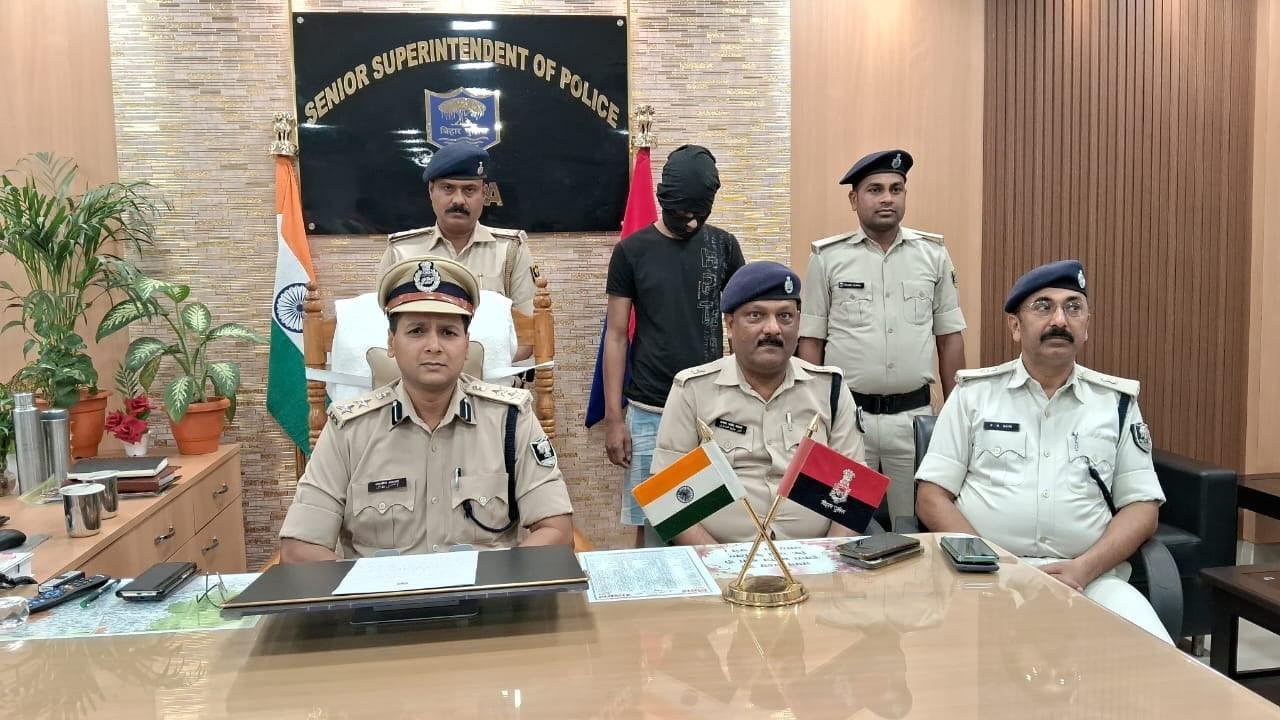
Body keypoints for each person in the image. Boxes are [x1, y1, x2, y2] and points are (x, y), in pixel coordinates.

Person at [915, 259, 1171, 642]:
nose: (1060, 320)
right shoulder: (973, 396)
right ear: (1015, 327)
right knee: (954, 663)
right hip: (984, 578)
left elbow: (1142, 507)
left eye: (1073, 307)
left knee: (1155, 654)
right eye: (1043, 306)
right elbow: (931, 497)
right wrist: (993, 565)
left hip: (1090, 580)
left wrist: (1084, 568)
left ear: (1087, 325)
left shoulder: (1116, 404)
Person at [278, 256, 573, 561]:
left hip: (489, 589)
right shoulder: (348, 430)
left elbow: (557, 531)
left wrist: (499, 583)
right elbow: (299, 548)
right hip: (380, 592)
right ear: (391, 342)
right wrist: (367, 587)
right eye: (417, 331)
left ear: (466, 344)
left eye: (448, 332)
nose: (434, 346)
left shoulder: (511, 419)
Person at [797, 149, 966, 522]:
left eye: (896, 189)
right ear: (854, 200)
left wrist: (956, 414)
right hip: (847, 421)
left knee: (913, 525)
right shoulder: (827, 258)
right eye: (875, 189)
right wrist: (814, 414)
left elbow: (949, 337)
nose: (887, 198)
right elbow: (811, 341)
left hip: (913, 420)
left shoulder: (933, 255)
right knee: (839, 521)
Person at [649, 261, 864, 544]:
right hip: (720, 554)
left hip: (813, 554)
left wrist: (830, 557)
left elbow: (853, 490)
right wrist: (716, 561)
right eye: (756, 315)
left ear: (798, 322)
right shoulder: (694, 390)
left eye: (785, 316)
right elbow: (668, 496)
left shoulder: (829, 390)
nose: (773, 329)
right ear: (729, 324)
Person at [603, 144, 745, 547]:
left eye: (700, 213)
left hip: (713, 409)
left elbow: (741, 323)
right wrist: (614, 419)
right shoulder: (631, 251)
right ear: (663, 199)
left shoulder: (724, 246)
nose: (691, 222)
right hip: (650, 409)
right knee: (652, 527)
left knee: (714, 522)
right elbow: (616, 335)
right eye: (682, 213)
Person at [379, 143, 535, 360]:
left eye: (469, 190)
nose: (459, 200)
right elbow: (382, 330)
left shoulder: (511, 250)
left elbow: (529, 336)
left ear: (484, 194)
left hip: (491, 377)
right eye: (448, 188)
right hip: (418, 376)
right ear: (431, 191)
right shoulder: (401, 251)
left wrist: (466, 367)